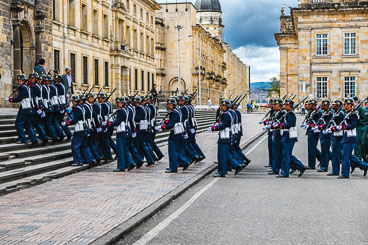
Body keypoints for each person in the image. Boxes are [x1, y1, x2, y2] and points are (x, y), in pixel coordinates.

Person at [331, 98, 368, 178]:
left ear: (349, 105)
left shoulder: (354, 114)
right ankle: (364, 165)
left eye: (345, 105)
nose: (344, 106)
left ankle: (345, 174)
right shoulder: (348, 113)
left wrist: (344, 126)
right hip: (346, 136)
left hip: (351, 136)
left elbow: (353, 125)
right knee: (348, 155)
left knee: (345, 156)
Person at [273, 99, 307, 178]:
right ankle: (300, 167)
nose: (284, 106)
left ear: (290, 106)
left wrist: (280, 125)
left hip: (289, 136)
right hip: (285, 136)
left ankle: (285, 173)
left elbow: (290, 124)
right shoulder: (287, 113)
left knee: (286, 156)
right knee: (287, 155)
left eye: (286, 105)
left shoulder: (290, 114)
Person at [210, 99, 242, 177]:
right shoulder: (229, 113)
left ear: (225, 106)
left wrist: (214, 128)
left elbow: (223, 125)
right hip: (226, 135)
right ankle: (235, 165)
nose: (220, 107)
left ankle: (222, 171)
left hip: (225, 136)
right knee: (224, 154)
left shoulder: (225, 114)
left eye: (221, 105)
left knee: (222, 155)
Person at [62, 95, 96, 167]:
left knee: (75, 146)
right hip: (85, 127)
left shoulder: (77, 109)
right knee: (84, 146)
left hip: (79, 128)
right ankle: (90, 160)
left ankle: (78, 161)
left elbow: (75, 120)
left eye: (73, 101)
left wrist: (67, 123)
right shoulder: (83, 107)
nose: (73, 103)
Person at [6, 74, 39, 146]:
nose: (19, 82)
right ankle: (34, 139)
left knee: (19, 124)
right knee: (28, 125)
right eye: (19, 81)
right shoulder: (29, 87)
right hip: (31, 108)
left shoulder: (22, 88)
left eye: (20, 81)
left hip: (25, 109)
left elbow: (19, 98)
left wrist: (10, 99)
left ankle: (22, 139)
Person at [160, 97, 189, 173]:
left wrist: (162, 127)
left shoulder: (173, 112)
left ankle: (173, 168)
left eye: (169, 104)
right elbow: (175, 120)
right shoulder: (178, 110)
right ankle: (184, 162)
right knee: (177, 150)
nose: (168, 105)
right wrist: (167, 121)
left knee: (172, 151)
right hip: (179, 132)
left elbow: (171, 124)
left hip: (175, 133)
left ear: (172, 104)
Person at [314, 100, 333, 172]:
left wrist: (319, 127)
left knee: (325, 151)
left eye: (323, 105)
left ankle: (324, 166)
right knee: (325, 150)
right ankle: (324, 163)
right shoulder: (324, 113)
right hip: (322, 134)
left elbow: (327, 124)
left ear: (327, 106)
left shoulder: (329, 114)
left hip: (326, 134)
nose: (321, 106)